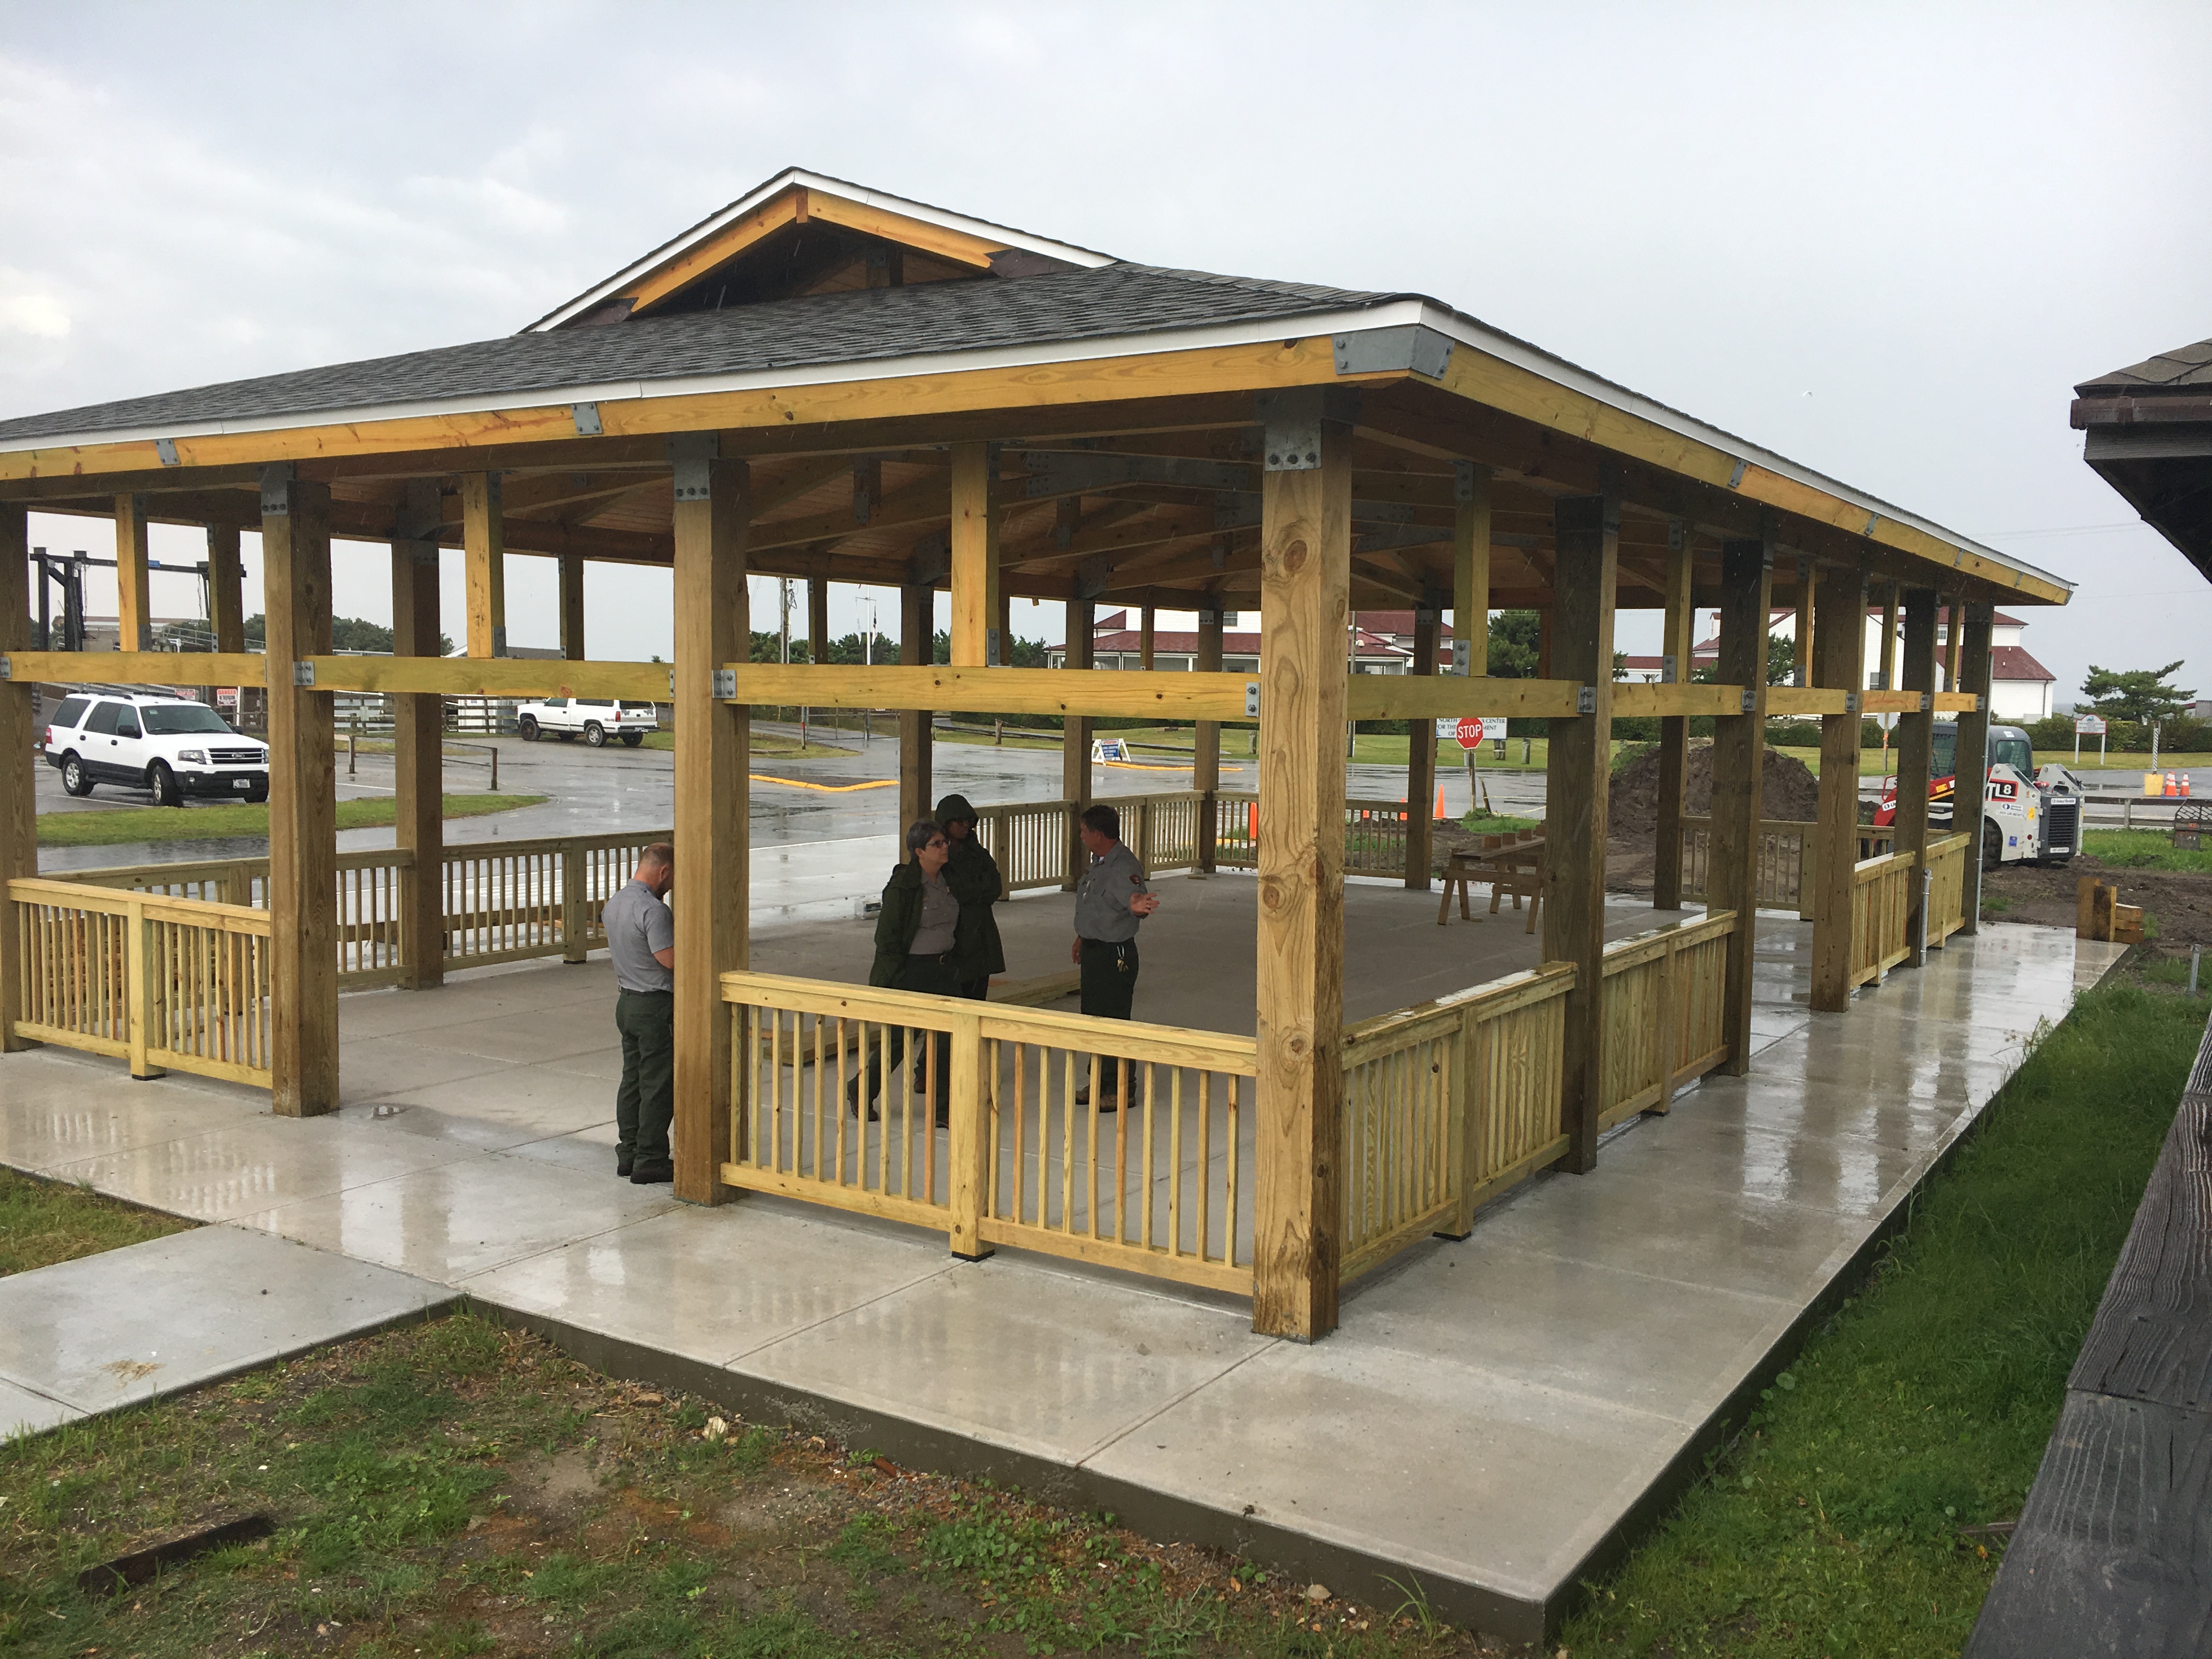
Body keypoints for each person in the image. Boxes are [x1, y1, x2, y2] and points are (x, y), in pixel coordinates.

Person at [849, 821, 975, 1125]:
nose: (944, 847)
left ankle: (942, 1109)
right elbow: (888, 938)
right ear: (919, 851)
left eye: (944, 842)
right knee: (900, 1039)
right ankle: (862, 1089)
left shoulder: (949, 879)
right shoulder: (904, 887)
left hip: (944, 969)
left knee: (949, 1038)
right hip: (913, 971)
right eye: (936, 844)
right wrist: (895, 976)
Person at [1070, 803, 1160, 1108]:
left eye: (1084, 831)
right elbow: (1096, 905)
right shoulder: (1099, 862)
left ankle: (1121, 1088)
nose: (1081, 836)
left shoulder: (1123, 866)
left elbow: (1133, 897)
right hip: (1095, 950)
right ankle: (1098, 1081)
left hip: (1115, 954)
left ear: (1098, 834)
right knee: (1093, 1018)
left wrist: (1137, 905)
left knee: (1115, 1020)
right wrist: (1082, 937)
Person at [603, 843, 676, 1184]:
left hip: (626, 1000)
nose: (673, 884)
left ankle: (628, 1152)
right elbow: (670, 960)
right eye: (673, 877)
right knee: (657, 1084)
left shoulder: (614, 904)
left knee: (631, 1079)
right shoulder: (654, 911)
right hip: (654, 1005)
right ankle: (651, 1158)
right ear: (663, 871)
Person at [934, 793, 1007, 1000]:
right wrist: (974, 891)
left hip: (982, 932)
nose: (965, 826)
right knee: (956, 994)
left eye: (968, 821)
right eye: (960, 822)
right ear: (946, 824)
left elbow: (995, 887)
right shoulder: (939, 856)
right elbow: (950, 890)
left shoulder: (979, 853)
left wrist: (968, 892)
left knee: (978, 994)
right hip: (955, 934)